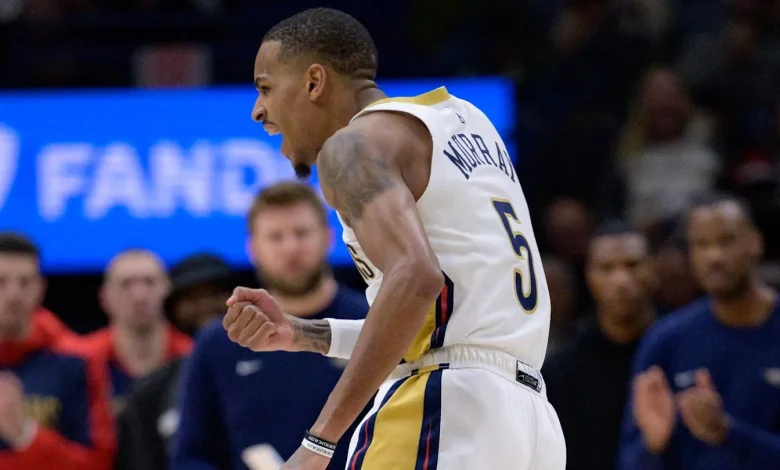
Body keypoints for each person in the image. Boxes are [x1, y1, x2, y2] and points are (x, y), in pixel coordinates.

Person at [222, 8, 565, 470]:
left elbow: (417, 278)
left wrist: (319, 442)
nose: (258, 110)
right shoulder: (465, 121)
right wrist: (304, 333)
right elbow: (441, 324)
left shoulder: (352, 146)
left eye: (265, 88)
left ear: (314, 82)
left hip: (445, 405)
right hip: (530, 422)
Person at [171, 181, 369, 470]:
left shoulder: (372, 323)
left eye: (301, 233)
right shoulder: (221, 341)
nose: (291, 248)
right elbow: (191, 454)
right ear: (253, 248)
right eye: (276, 237)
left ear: (328, 238)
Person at [619, 194, 780, 469]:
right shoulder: (666, 339)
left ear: (756, 242)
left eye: (726, 241)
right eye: (702, 245)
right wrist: (654, 446)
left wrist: (727, 432)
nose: (714, 257)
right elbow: (629, 460)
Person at [544, 221, 657, 470]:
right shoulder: (561, 369)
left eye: (632, 265)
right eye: (607, 268)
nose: (621, 280)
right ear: (588, 275)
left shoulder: (678, 347)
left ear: (653, 268)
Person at [0, 232, 115, 470]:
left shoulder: (77, 360)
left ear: (41, 288)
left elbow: (99, 463)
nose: (13, 294)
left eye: (24, 282)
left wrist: (26, 436)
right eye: (1, 282)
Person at [115, 253, 234, 470]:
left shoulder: (273, 367)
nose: (205, 305)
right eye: (191, 298)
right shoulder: (150, 391)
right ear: (173, 310)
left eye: (216, 294)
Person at [75, 249, 192, 412]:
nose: (139, 295)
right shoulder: (81, 360)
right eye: (126, 284)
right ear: (104, 297)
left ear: (169, 291)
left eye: (149, 282)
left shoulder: (191, 356)